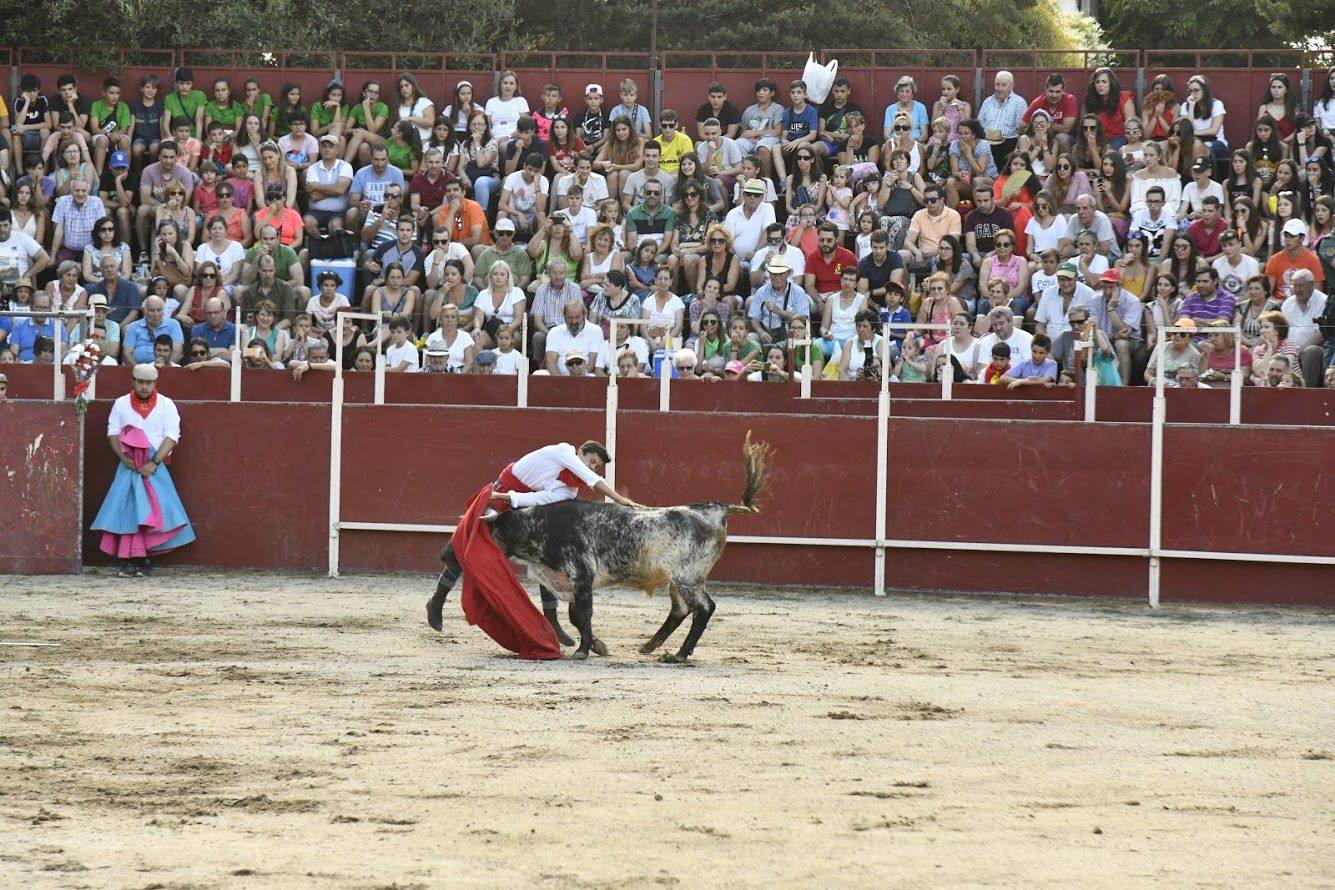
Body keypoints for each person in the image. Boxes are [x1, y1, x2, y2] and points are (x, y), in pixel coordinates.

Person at [425, 440, 642, 659]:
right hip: (500, 496)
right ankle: (437, 600)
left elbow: (539, 498)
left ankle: (551, 620)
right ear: (580, 453)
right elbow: (591, 480)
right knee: (467, 547)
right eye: (591, 461)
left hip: (520, 506)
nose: (591, 468)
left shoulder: (569, 490)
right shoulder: (563, 451)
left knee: (546, 558)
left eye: (595, 466)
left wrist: (509, 499)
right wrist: (617, 498)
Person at [91, 364, 195, 577]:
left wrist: (154, 462)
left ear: (155, 383)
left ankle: (144, 556)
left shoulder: (166, 404)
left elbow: (172, 436)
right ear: (133, 381)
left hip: (154, 466)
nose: (144, 387)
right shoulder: (121, 403)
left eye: (149, 383)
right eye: (140, 382)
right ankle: (129, 559)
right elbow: (113, 434)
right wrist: (123, 458)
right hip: (129, 465)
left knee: (152, 512)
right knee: (129, 511)